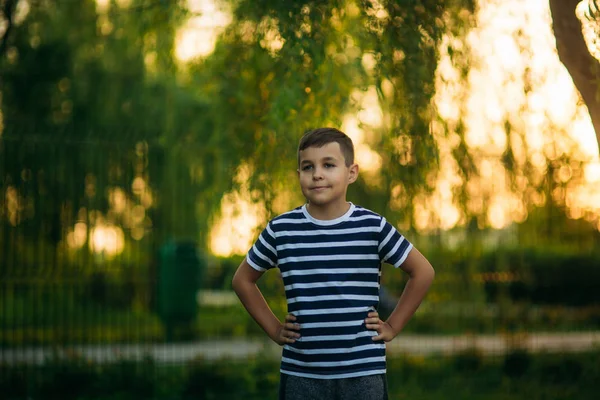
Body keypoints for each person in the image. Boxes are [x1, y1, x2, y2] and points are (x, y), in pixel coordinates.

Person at [232, 127, 435, 400]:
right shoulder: (281, 230)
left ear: (351, 172)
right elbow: (242, 280)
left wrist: (393, 326)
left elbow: (423, 272)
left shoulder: (372, 226)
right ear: (299, 175)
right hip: (302, 374)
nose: (317, 173)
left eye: (328, 165)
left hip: (363, 372)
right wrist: (275, 329)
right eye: (307, 167)